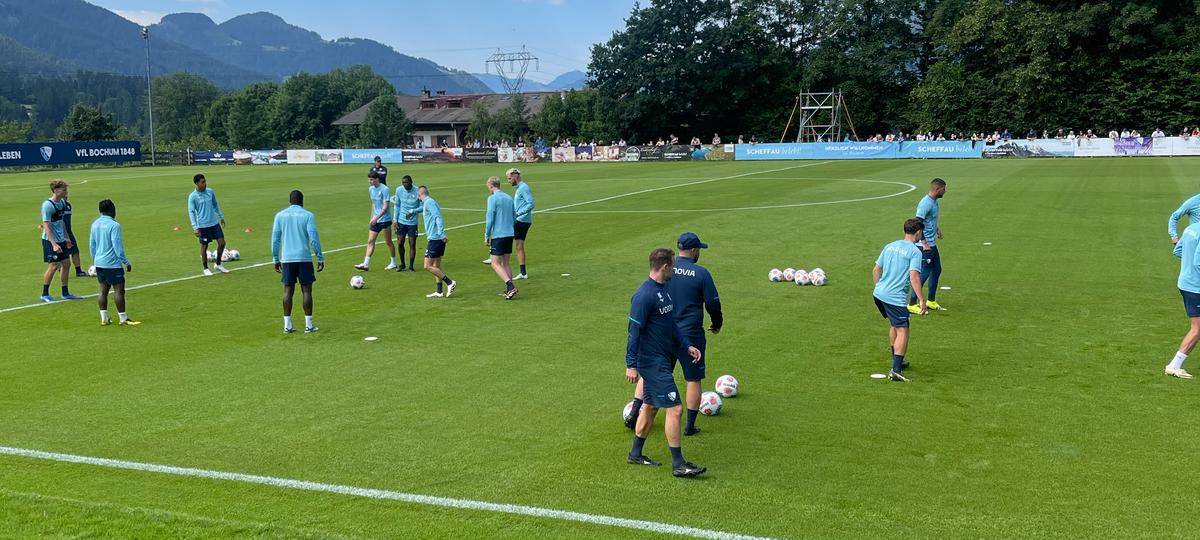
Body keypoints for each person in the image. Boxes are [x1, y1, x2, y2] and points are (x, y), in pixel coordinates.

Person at [625, 247, 706, 477]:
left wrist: (686, 345)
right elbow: (634, 332)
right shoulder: (644, 296)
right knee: (675, 408)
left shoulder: (664, 290)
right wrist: (631, 364)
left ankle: (635, 453)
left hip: (661, 356)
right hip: (651, 362)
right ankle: (679, 464)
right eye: (673, 266)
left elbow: (670, 325)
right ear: (665, 267)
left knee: (650, 406)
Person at [665, 232, 722, 436]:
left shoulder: (666, 269)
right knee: (693, 379)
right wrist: (717, 323)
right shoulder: (701, 273)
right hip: (690, 335)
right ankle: (689, 426)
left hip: (665, 332)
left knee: (659, 374)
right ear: (694, 250)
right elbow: (713, 304)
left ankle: (640, 412)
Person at [875, 218, 928, 382]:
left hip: (879, 293)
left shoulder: (890, 245)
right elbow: (914, 276)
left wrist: (879, 288)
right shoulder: (915, 251)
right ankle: (896, 370)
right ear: (918, 232)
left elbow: (876, 269)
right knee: (903, 329)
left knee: (894, 325)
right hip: (894, 297)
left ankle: (898, 360)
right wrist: (921, 300)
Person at [272, 190, 324, 334]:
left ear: (290, 201)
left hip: (287, 258)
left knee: (288, 290)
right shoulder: (308, 215)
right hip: (304, 257)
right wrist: (319, 257)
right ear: (302, 201)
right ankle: (309, 325)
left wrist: (276, 258)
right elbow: (313, 238)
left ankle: (287, 325)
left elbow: (275, 239)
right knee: (306, 290)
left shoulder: (280, 216)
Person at [89, 199, 137, 326]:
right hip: (112, 263)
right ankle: (123, 318)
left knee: (103, 290)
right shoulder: (114, 225)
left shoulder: (95, 224)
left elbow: (92, 245)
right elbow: (117, 247)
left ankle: (104, 318)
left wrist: (95, 261)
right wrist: (126, 262)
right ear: (113, 210)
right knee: (119, 291)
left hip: (99, 263)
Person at [39, 179, 82, 302]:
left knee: (66, 264)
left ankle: (65, 292)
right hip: (50, 240)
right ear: (56, 190)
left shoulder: (62, 203)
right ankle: (45, 294)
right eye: (64, 190)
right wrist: (53, 244)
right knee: (53, 266)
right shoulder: (47, 205)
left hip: (61, 239)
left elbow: (61, 221)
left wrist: (66, 237)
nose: (66, 192)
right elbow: (46, 226)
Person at [909, 178, 947, 313]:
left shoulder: (934, 202)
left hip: (931, 243)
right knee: (924, 273)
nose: (945, 191)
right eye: (944, 189)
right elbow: (918, 222)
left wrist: (937, 229)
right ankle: (912, 303)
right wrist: (924, 243)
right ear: (937, 189)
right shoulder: (926, 203)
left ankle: (931, 300)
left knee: (937, 270)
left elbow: (930, 219)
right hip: (925, 245)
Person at [415, 185, 456, 298]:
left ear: (420, 194)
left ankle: (449, 282)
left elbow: (438, 217)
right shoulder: (428, 202)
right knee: (436, 265)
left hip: (435, 239)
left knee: (427, 266)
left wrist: (441, 234)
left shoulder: (429, 203)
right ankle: (439, 291)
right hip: (436, 238)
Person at [354, 170, 398, 271]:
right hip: (375, 219)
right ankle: (365, 264)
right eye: (369, 180)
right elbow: (373, 204)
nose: (370, 181)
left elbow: (385, 206)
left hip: (385, 220)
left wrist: (376, 218)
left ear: (377, 179)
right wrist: (372, 217)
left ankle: (393, 262)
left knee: (388, 242)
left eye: (371, 180)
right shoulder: (370, 189)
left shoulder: (385, 189)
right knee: (370, 241)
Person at [188, 173, 229, 276]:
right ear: (197, 183)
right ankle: (205, 268)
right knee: (204, 246)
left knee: (222, 243)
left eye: (205, 181)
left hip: (214, 223)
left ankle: (218, 264)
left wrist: (221, 217)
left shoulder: (210, 192)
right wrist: (195, 227)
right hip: (203, 225)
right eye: (202, 182)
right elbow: (191, 212)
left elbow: (215, 204)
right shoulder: (193, 197)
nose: (205, 183)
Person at [484, 176, 518, 299]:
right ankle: (509, 289)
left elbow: (490, 218)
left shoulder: (492, 198)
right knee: (506, 263)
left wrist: (487, 235)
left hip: (499, 234)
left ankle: (510, 286)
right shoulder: (509, 198)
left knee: (495, 263)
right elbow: (514, 217)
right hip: (510, 233)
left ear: (491, 186)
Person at [391, 175, 421, 271]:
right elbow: (397, 205)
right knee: (400, 243)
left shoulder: (417, 191)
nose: (405, 184)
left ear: (411, 182)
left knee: (412, 244)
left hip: (412, 223)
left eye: (407, 182)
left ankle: (411, 266)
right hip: (401, 221)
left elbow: (422, 207)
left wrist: (412, 211)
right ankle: (402, 264)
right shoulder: (399, 190)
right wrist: (395, 220)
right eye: (403, 182)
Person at [509, 168, 535, 280]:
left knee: (503, 234)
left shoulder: (523, 188)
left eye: (509, 178)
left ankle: (495, 257)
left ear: (515, 176)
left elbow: (531, 204)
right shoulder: (520, 188)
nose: (509, 181)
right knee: (519, 246)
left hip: (521, 220)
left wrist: (519, 213)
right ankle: (523, 273)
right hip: (524, 220)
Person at [61, 192, 86, 277]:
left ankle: (78, 271)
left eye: (66, 193)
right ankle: (62, 272)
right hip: (59, 234)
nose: (66, 195)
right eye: (64, 193)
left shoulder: (68, 205)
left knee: (75, 251)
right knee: (62, 254)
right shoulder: (57, 206)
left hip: (69, 232)